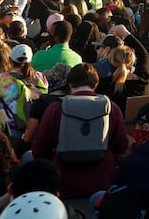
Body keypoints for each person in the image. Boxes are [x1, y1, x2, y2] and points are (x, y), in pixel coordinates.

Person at [29, 64, 128, 199]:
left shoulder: (56, 108)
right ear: (96, 84)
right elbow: (121, 145)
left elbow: (40, 147)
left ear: (70, 84)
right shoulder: (111, 108)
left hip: (64, 181)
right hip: (101, 182)